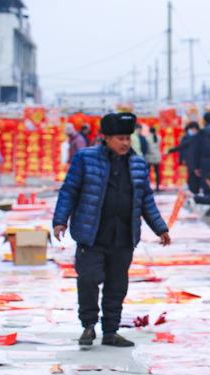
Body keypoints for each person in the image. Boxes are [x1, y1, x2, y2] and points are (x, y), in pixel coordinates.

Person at [52, 112, 171, 349]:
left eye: (128, 137)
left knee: (117, 286)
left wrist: (160, 227)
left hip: (123, 236)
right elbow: (69, 191)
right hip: (92, 234)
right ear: (105, 138)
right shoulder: (85, 159)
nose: (125, 143)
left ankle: (111, 331)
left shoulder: (137, 163)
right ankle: (88, 326)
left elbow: (146, 199)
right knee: (88, 279)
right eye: (120, 138)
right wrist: (60, 220)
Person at [169, 122, 201, 193]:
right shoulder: (187, 137)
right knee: (192, 178)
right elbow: (182, 148)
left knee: (196, 178)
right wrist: (182, 158)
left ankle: (195, 193)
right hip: (190, 160)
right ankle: (194, 193)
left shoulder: (198, 137)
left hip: (197, 161)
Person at [145, 127, 162, 192]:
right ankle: (157, 187)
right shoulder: (159, 137)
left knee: (148, 173)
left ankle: (148, 186)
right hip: (157, 156)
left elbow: (146, 147)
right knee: (157, 173)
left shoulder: (147, 137)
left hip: (149, 157)